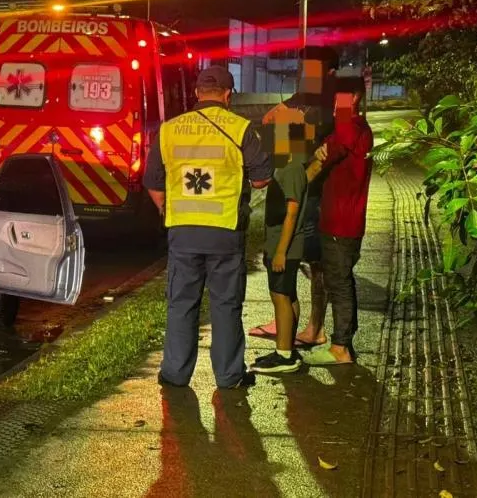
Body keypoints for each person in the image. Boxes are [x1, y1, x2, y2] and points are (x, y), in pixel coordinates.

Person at [144, 65, 273, 389]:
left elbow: (154, 183)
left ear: (197, 93)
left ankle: (174, 374)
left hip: (183, 232)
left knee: (181, 303)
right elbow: (261, 178)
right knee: (226, 305)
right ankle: (229, 376)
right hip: (224, 232)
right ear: (228, 94)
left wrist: (169, 210)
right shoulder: (241, 129)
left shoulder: (169, 130)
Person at [248, 46, 340, 347]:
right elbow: (275, 125)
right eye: (302, 68)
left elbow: (310, 147)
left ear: (329, 72)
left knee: (313, 260)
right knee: (287, 256)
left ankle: (315, 327)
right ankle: (286, 316)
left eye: (311, 68)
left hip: (315, 194)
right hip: (293, 187)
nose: (304, 73)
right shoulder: (303, 100)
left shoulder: (332, 104)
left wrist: (289, 129)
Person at [303, 75, 374, 366]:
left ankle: (341, 347)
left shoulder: (349, 126)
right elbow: (326, 150)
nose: (334, 102)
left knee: (339, 283)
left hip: (340, 222)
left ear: (355, 97)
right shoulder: (355, 127)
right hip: (346, 220)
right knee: (339, 281)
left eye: (340, 96)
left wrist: (294, 189)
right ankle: (340, 341)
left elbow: (321, 162)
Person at [250, 137, 326, 374]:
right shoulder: (290, 168)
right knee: (288, 295)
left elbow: (292, 213)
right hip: (281, 244)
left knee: (280, 295)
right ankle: (286, 348)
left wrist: (281, 252)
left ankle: (284, 355)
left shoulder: (290, 170)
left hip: (285, 247)